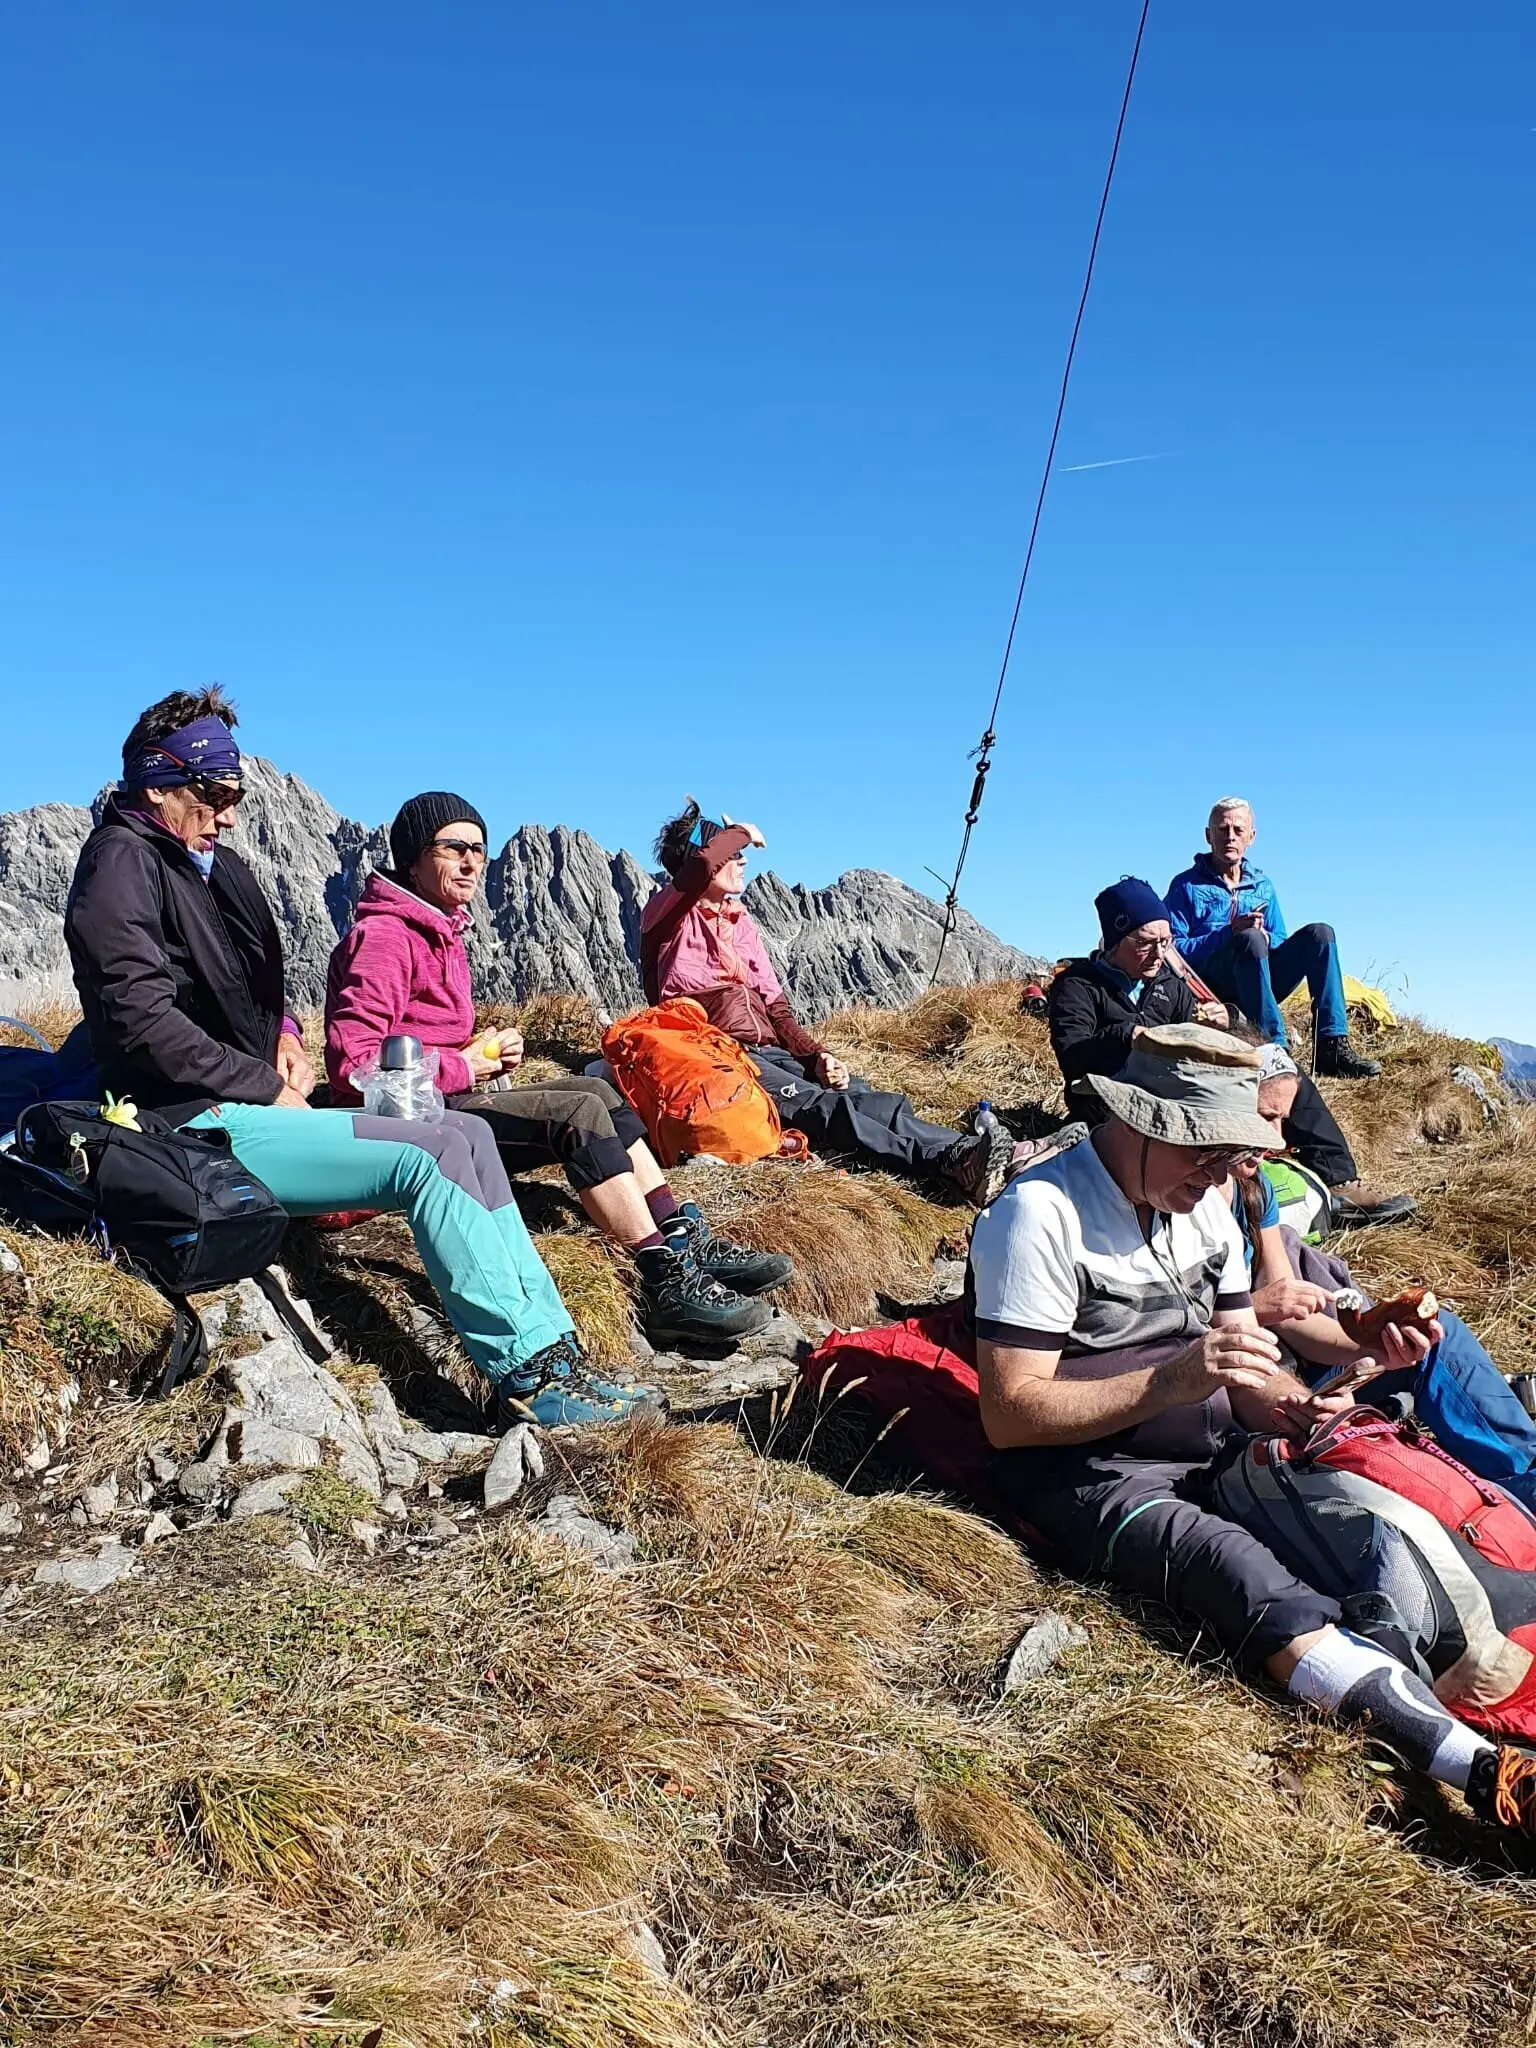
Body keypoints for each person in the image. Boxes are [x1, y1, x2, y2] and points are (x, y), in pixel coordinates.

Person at [968, 1022, 1536, 1836]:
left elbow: (1246, 1371)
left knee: (1394, 1524)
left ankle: (1425, 1662)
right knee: (1240, 1575)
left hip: (1220, 1443)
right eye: (1203, 1154)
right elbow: (1009, 1414)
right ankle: (1485, 1775)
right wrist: (1179, 1377)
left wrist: (1295, 1401)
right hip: (1091, 1470)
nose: (1219, 1179)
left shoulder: (1202, 1207)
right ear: (1138, 1123)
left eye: (1232, 1158)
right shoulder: (1039, 1217)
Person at [64, 688, 657, 1429]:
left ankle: (555, 1354)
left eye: (235, 793)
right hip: (189, 1123)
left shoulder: (207, 865)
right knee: (427, 1157)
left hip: (243, 1100)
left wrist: (282, 1036)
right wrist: (257, 1081)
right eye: (214, 793)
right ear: (158, 781)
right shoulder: (121, 861)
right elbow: (138, 1018)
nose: (230, 813)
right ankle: (526, 1377)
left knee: (467, 1134)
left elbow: (250, 990)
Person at [324, 791, 793, 1348]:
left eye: (479, 848)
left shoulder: (441, 929)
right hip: (412, 1124)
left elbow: (420, 1036)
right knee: (575, 1111)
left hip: (442, 1102)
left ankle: (680, 1235)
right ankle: (661, 1278)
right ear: (414, 858)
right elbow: (351, 1063)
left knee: (595, 1086)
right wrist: (462, 1065)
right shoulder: (384, 937)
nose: (472, 862)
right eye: (454, 849)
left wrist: (479, 1051)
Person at [639, 802, 1009, 1202]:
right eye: (731, 854)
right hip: (716, 1057)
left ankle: (973, 1152)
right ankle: (944, 1162)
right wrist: (742, 831)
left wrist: (817, 1057)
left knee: (859, 1094)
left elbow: (776, 1009)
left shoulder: (739, 922)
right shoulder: (665, 917)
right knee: (818, 1107)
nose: (742, 859)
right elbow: (695, 871)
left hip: (767, 1050)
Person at [1229, 1042, 1536, 1510]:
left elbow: (1288, 1315)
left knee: (1435, 1338)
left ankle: (1523, 1479)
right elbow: (1199, 1335)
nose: (1277, 1142)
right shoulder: (1182, 1198)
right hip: (1243, 1396)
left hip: (1288, 1375)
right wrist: (1261, 1313)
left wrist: (1373, 1348)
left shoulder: (1255, 1186)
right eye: (1265, 1116)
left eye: (1282, 1120)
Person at [1048, 878, 1414, 1228]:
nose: (1160, 952)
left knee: (1281, 1070)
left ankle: (1337, 1178)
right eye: (1147, 942)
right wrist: (1127, 1034)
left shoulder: (1167, 984)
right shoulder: (1078, 986)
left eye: (1166, 941)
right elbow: (1073, 1056)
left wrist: (1228, 1016)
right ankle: (1244, 1184)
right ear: (1116, 940)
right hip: (1116, 1098)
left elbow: (1201, 1027)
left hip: (1180, 1087)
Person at [1165, 799, 1380, 1077]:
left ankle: (1332, 1047)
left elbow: (1279, 938)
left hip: (1260, 978)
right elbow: (1173, 950)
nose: (1230, 836)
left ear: (1251, 837)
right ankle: (1276, 1048)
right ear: (1208, 835)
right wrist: (1229, 933)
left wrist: (1266, 939)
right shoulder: (1185, 885)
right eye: (1222, 829)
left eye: (1238, 830)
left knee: (1321, 934)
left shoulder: (1263, 886)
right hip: (1213, 985)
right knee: (1249, 939)